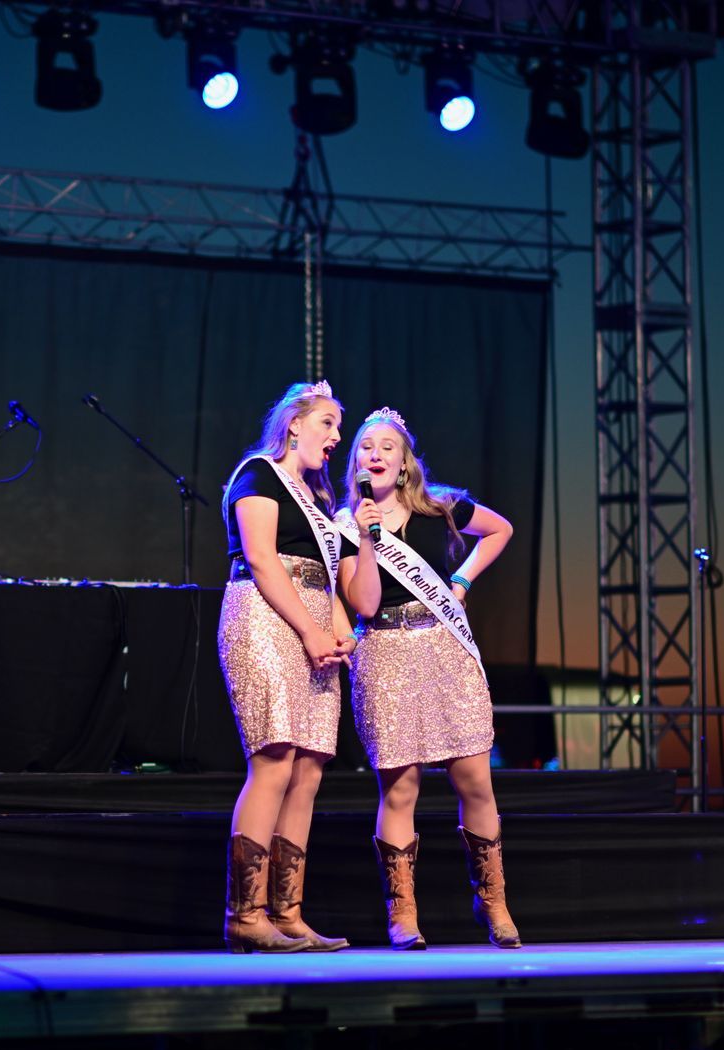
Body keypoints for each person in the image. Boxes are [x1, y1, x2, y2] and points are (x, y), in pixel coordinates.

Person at [334, 407, 520, 949]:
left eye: (388, 446)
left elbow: (499, 530)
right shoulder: (346, 526)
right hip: (386, 654)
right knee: (400, 789)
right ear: (356, 462)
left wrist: (460, 580)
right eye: (366, 446)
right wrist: (369, 538)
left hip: (445, 647)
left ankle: (494, 903)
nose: (376, 453)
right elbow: (364, 602)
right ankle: (403, 915)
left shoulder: (441, 507)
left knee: (475, 781)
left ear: (405, 461)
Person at [216, 379, 374, 953]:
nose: (337, 437)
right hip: (265, 618)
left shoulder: (317, 499)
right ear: (293, 424)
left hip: (311, 625)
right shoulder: (257, 472)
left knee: (308, 770)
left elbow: (324, 575)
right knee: (275, 760)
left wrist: (337, 628)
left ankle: (287, 914)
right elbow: (261, 558)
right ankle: (245, 915)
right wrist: (309, 629)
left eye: (339, 426)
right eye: (328, 423)